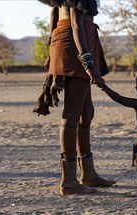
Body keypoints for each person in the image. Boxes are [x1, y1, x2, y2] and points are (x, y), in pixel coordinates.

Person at [34, 0, 116, 196]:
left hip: (71, 42)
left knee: (86, 113)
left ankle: (88, 174)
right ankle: (69, 182)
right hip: (76, 45)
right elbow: (76, 24)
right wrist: (88, 62)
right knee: (72, 115)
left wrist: (52, 46)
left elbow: (54, 14)